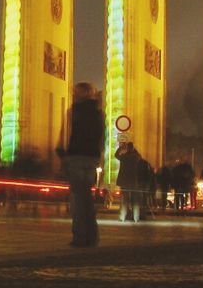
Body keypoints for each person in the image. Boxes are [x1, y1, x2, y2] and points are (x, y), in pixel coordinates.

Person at [61, 82, 104, 246]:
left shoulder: (73, 111)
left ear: (79, 95)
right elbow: (101, 137)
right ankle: (92, 236)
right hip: (92, 158)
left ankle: (79, 237)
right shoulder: (99, 113)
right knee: (87, 198)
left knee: (78, 199)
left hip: (76, 157)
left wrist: (63, 153)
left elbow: (66, 133)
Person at [114, 140, 145, 224]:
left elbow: (116, 155)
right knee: (135, 201)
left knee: (125, 200)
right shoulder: (135, 157)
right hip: (134, 182)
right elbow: (140, 156)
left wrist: (121, 147)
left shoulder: (124, 157)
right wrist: (134, 149)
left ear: (127, 148)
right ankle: (136, 217)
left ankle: (122, 217)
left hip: (124, 182)